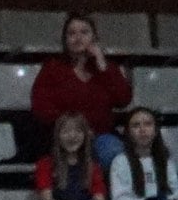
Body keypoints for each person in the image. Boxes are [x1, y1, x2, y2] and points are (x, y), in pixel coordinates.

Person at [33, 12, 133, 141]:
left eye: (84, 32)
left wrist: (102, 64)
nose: (78, 38)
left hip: (101, 136)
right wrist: (72, 129)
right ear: (65, 39)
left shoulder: (108, 68)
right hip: (64, 137)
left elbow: (123, 100)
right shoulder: (52, 68)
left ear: (94, 38)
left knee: (118, 155)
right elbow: (41, 107)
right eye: (72, 33)